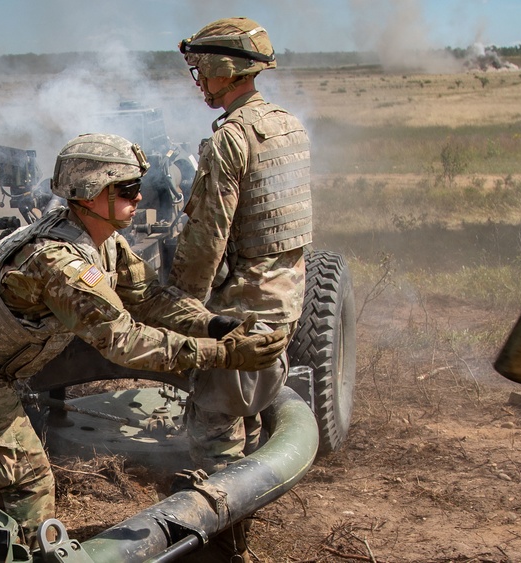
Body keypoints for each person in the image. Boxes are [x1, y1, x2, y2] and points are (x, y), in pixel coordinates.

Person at [0, 133, 287, 549]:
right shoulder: (62, 264)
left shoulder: (105, 241)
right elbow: (126, 342)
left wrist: (214, 326)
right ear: (90, 194)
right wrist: (223, 354)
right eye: (126, 189)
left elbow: (150, 298)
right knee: (27, 478)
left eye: (137, 187)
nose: (138, 196)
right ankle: (33, 553)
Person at [173, 17, 313, 475]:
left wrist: (183, 305)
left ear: (223, 68)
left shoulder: (229, 140)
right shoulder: (288, 126)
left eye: (202, 70)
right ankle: (248, 511)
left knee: (214, 429)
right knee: (248, 414)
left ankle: (222, 532)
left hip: (240, 311)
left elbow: (207, 239)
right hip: (285, 299)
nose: (200, 82)